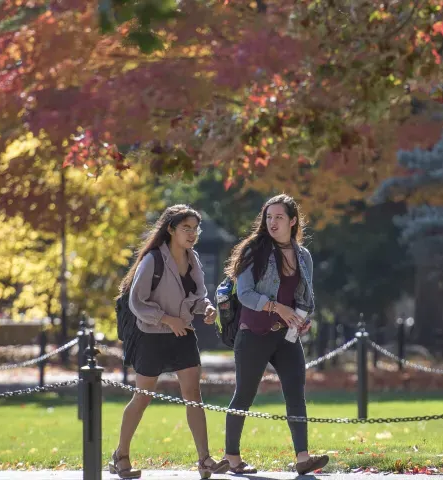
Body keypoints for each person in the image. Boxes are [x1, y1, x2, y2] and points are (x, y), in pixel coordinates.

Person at [110, 205, 227, 479]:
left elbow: (199, 296)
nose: (192, 234)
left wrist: (206, 309)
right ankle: (121, 455)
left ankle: (204, 460)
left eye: (195, 229)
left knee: (194, 397)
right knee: (143, 397)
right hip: (151, 337)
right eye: (186, 228)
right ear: (171, 230)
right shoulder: (153, 260)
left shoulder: (193, 258)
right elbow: (136, 301)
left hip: (183, 335)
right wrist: (166, 318)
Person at [218, 194, 330, 475]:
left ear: (293, 221)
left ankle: (302, 458)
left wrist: (303, 320)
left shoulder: (303, 256)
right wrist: (276, 307)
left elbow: (305, 297)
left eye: (279, 217)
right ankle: (232, 458)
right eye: (268, 217)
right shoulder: (252, 251)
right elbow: (244, 294)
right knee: (243, 395)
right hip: (253, 333)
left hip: (286, 337)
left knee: (296, 394)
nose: (272, 222)